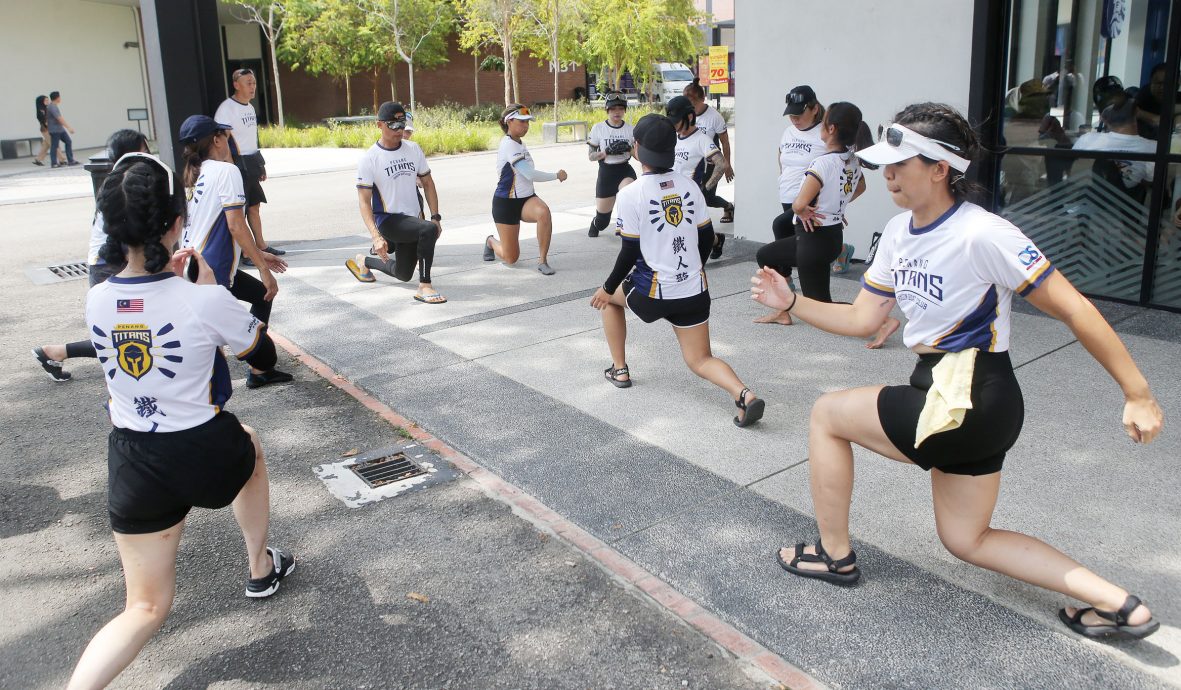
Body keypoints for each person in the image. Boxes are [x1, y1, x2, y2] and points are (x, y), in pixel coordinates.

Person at [751, 102, 1164, 641]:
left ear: (942, 168)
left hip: (964, 395)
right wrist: (793, 301)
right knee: (966, 539)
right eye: (886, 165)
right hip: (975, 402)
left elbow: (1075, 307)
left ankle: (834, 555)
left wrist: (1138, 392)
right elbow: (861, 319)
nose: (889, 175)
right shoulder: (900, 231)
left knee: (828, 413)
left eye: (902, 164)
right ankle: (1120, 604)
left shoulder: (984, 233)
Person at [66, 152, 295, 690]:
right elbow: (262, 359)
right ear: (176, 226)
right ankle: (259, 567)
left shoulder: (97, 299)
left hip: (133, 460)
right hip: (202, 451)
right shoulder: (204, 297)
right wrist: (210, 286)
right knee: (252, 445)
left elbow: (139, 326)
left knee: (143, 607)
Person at [591, 114, 764, 428]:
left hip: (652, 293)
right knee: (701, 359)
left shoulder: (631, 194)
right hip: (693, 291)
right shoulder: (689, 186)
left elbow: (629, 251)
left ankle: (620, 369)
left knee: (609, 301)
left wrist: (606, 287)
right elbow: (707, 237)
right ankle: (743, 394)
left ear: (637, 148)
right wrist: (697, 269)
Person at [754, 101, 898, 347]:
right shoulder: (851, 159)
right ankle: (783, 310)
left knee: (820, 306)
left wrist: (807, 210)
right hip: (829, 237)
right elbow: (860, 187)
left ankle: (882, 321)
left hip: (814, 240)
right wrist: (835, 206)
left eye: (824, 121)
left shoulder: (822, 163)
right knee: (769, 251)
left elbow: (799, 204)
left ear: (830, 129)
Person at [179, 114, 292, 389]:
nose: (230, 142)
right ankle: (241, 371)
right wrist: (264, 270)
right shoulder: (226, 171)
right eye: (227, 137)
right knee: (210, 330)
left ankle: (258, 368)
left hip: (190, 262)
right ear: (217, 139)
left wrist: (258, 254)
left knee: (260, 297)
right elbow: (235, 226)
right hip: (211, 267)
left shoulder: (194, 174)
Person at [33, 130, 149, 382]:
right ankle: (56, 352)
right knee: (129, 331)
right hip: (110, 265)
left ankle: (56, 352)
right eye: (142, 148)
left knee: (128, 329)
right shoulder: (123, 183)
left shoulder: (120, 179)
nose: (147, 153)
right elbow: (121, 234)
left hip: (108, 263)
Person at [345, 102, 446, 304]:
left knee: (403, 274)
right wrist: (375, 236)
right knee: (427, 230)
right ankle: (425, 285)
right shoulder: (370, 159)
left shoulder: (413, 149)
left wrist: (435, 216)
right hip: (389, 220)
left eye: (402, 123)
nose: (399, 129)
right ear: (379, 125)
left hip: (412, 219)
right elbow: (364, 201)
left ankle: (365, 261)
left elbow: (427, 182)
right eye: (393, 125)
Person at [756, 86, 826, 326]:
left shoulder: (825, 134)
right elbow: (782, 158)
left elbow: (843, 174)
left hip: (809, 207)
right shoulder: (788, 132)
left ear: (815, 108)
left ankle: (800, 303)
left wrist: (830, 206)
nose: (794, 119)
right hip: (788, 199)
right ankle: (785, 306)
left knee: (794, 250)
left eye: (799, 113)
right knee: (787, 246)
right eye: (791, 114)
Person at [485, 104, 567, 275]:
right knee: (511, 258)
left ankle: (542, 261)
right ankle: (491, 241)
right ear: (509, 121)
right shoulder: (508, 145)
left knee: (544, 212)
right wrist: (556, 175)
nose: (526, 126)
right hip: (505, 204)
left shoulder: (520, 143)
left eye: (528, 122)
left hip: (526, 199)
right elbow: (529, 174)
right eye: (521, 122)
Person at [215, 68, 285, 267]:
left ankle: (261, 246)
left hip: (252, 162)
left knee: (254, 205)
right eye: (248, 83)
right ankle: (247, 252)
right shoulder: (226, 108)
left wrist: (260, 164)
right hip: (237, 164)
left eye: (254, 83)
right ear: (236, 85)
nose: (253, 87)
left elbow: (251, 139)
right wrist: (228, 166)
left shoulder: (250, 107)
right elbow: (223, 141)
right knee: (241, 209)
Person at [665, 96, 729, 260]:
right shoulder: (674, 137)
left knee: (691, 231)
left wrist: (704, 190)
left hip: (691, 196)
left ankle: (696, 259)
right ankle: (716, 240)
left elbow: (721, 164)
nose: (674, 125)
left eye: (676, 121)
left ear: (689, 117)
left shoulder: (702, 139)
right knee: (688, 230)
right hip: (672, 194)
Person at [683, 79, 735, 238]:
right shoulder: (685, 115)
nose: (691, 109)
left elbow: (725, 143)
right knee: (693, 196)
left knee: (706, 196)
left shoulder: (714, 117)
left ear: (702, 100)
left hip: (712, 165)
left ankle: (728, 206)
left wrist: (727, 165)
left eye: (694, 104)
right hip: (692, 165)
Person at [1074, 98, 1157, 198]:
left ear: (1103, 119)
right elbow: (1150, 183)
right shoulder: (1153, 147)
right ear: (1136, 114)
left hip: (1085, 206)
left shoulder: (1087, 139)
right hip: (1125, 208)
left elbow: (1073, 173)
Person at [585, 92, 637, 238]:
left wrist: (629, 149)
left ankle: (623, 225)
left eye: (621, 109)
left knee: (627, 196)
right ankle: (595, 223)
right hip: (606, 173)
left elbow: (638, 157)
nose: (617, 112)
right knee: (603, 222)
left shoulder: (630, 129)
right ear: (607, 110)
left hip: (624, 170)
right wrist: (605, 152)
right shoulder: (599, 128)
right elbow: (590, 156)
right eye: (613, 109)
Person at [46, 91, 80, 167]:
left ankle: (70, 160)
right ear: (57, 98)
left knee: (68, 141)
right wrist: (68, 127)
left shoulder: (53, 106)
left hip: (60, 129)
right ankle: (54, 163)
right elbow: (59, 118)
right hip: (55, 130)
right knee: (54, 146)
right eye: (59, 97)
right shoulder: (52, 107)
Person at [33, 95, 67, 167]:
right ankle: (62, 160)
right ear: (41, 102)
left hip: (50, 129)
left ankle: (38, 159)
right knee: (54, 144)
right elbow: (45, 122)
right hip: (46, 129)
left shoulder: (46, 108)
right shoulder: (41, 110)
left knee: (46, 145)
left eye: (48, 100)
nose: (47, 102)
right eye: (45, 100)